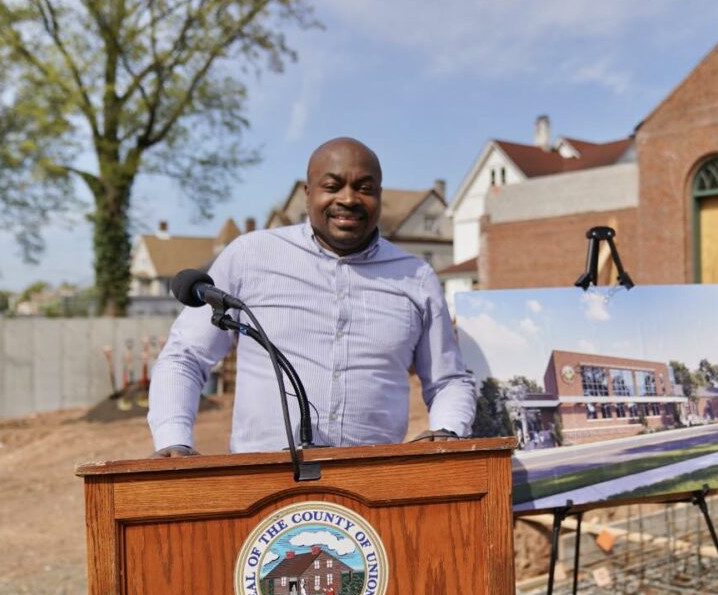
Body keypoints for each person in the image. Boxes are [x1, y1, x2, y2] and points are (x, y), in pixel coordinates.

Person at [148, 137, 476, 455]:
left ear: (379, 194)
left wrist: (447, 431)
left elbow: (448, 380)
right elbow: (186, 356)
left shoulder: (416, 278)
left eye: (364, 188)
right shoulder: (251, 256)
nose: (348, 199)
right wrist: (174, 439)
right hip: (264, 482)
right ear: (308, 194)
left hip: (373, 485)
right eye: (332, 186)